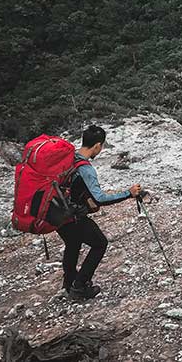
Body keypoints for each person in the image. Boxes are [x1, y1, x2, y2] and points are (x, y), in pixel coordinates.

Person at [57, 125, 141, 300]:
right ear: (97, 146)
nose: (100, 150)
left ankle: (69, 283)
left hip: (57, 213)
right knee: (100, 243)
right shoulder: (85, 168)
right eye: (101, 146)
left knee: (72, 244)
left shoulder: (68, 158)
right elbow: (100, 198)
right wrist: (128, 193)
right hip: (73, 216)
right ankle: (79, 287)